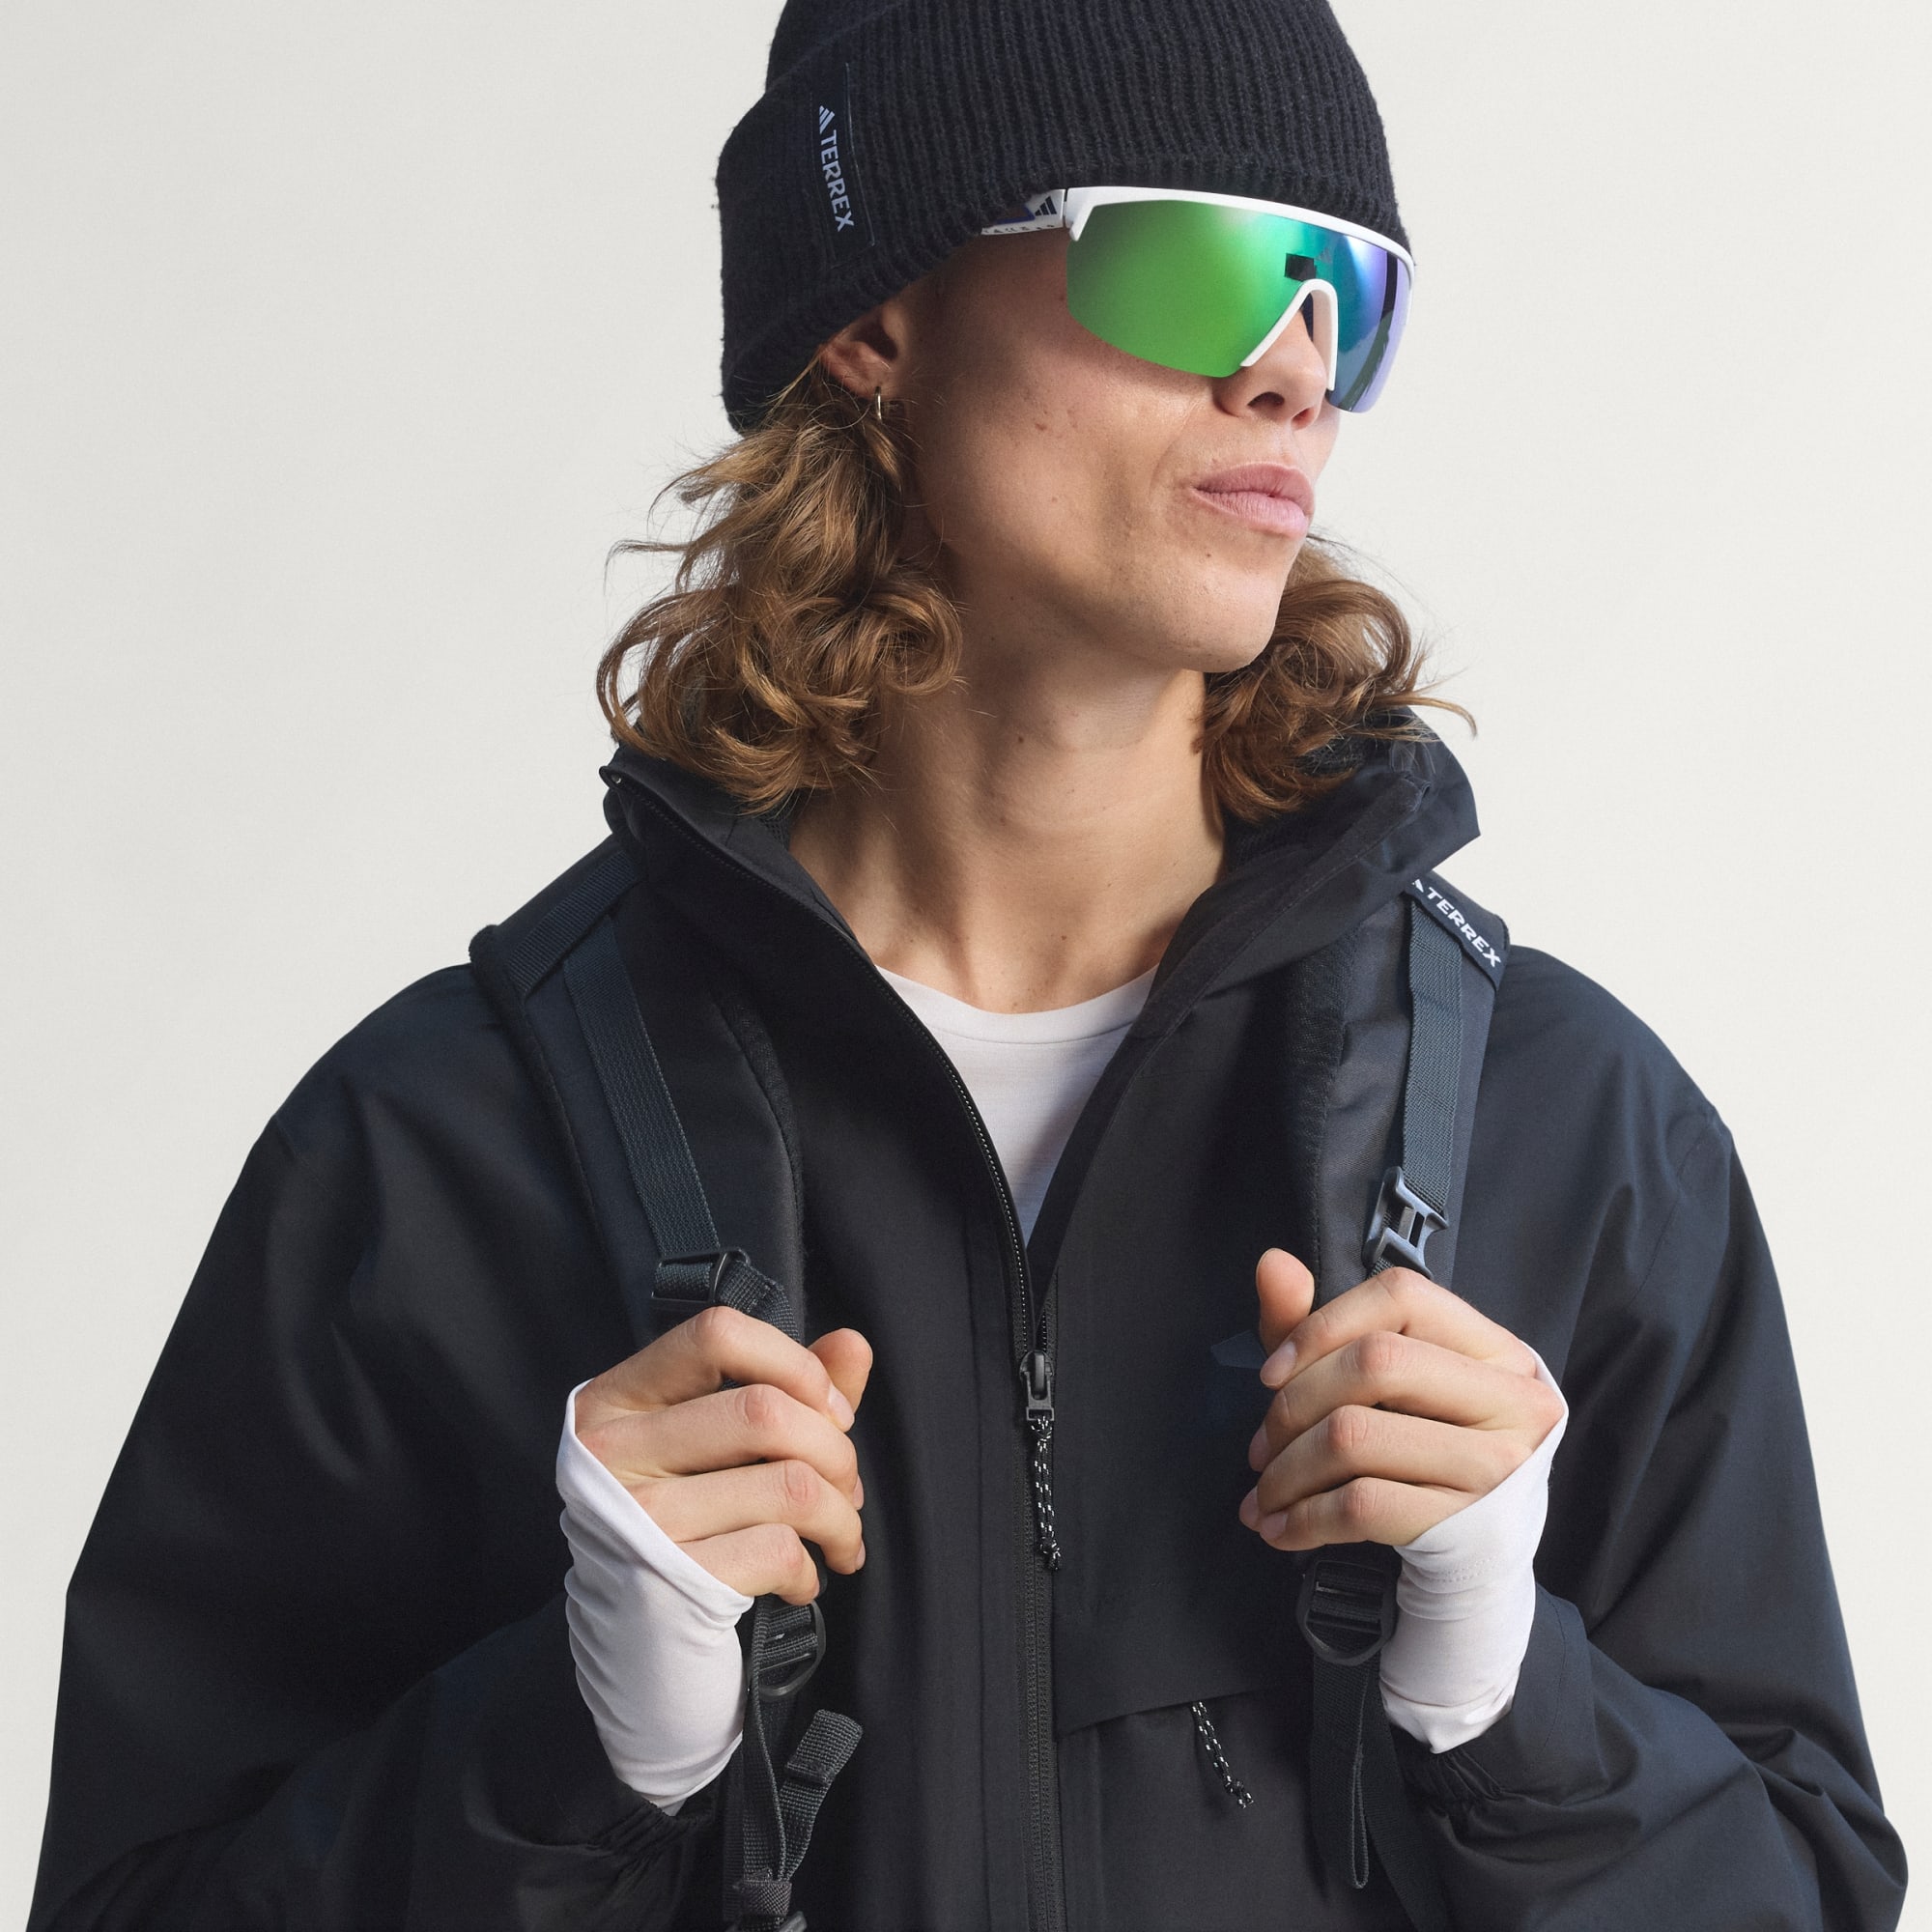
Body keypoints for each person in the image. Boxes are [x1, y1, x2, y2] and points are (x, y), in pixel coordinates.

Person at [27, 2, 1908, 1928]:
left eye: (1345, 291)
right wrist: (575, 1748)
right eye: (1191, 259)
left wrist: (1514, 1704)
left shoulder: (1569, 1134)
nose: (1289, 368)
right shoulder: (439, 1155)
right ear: (877, 314)